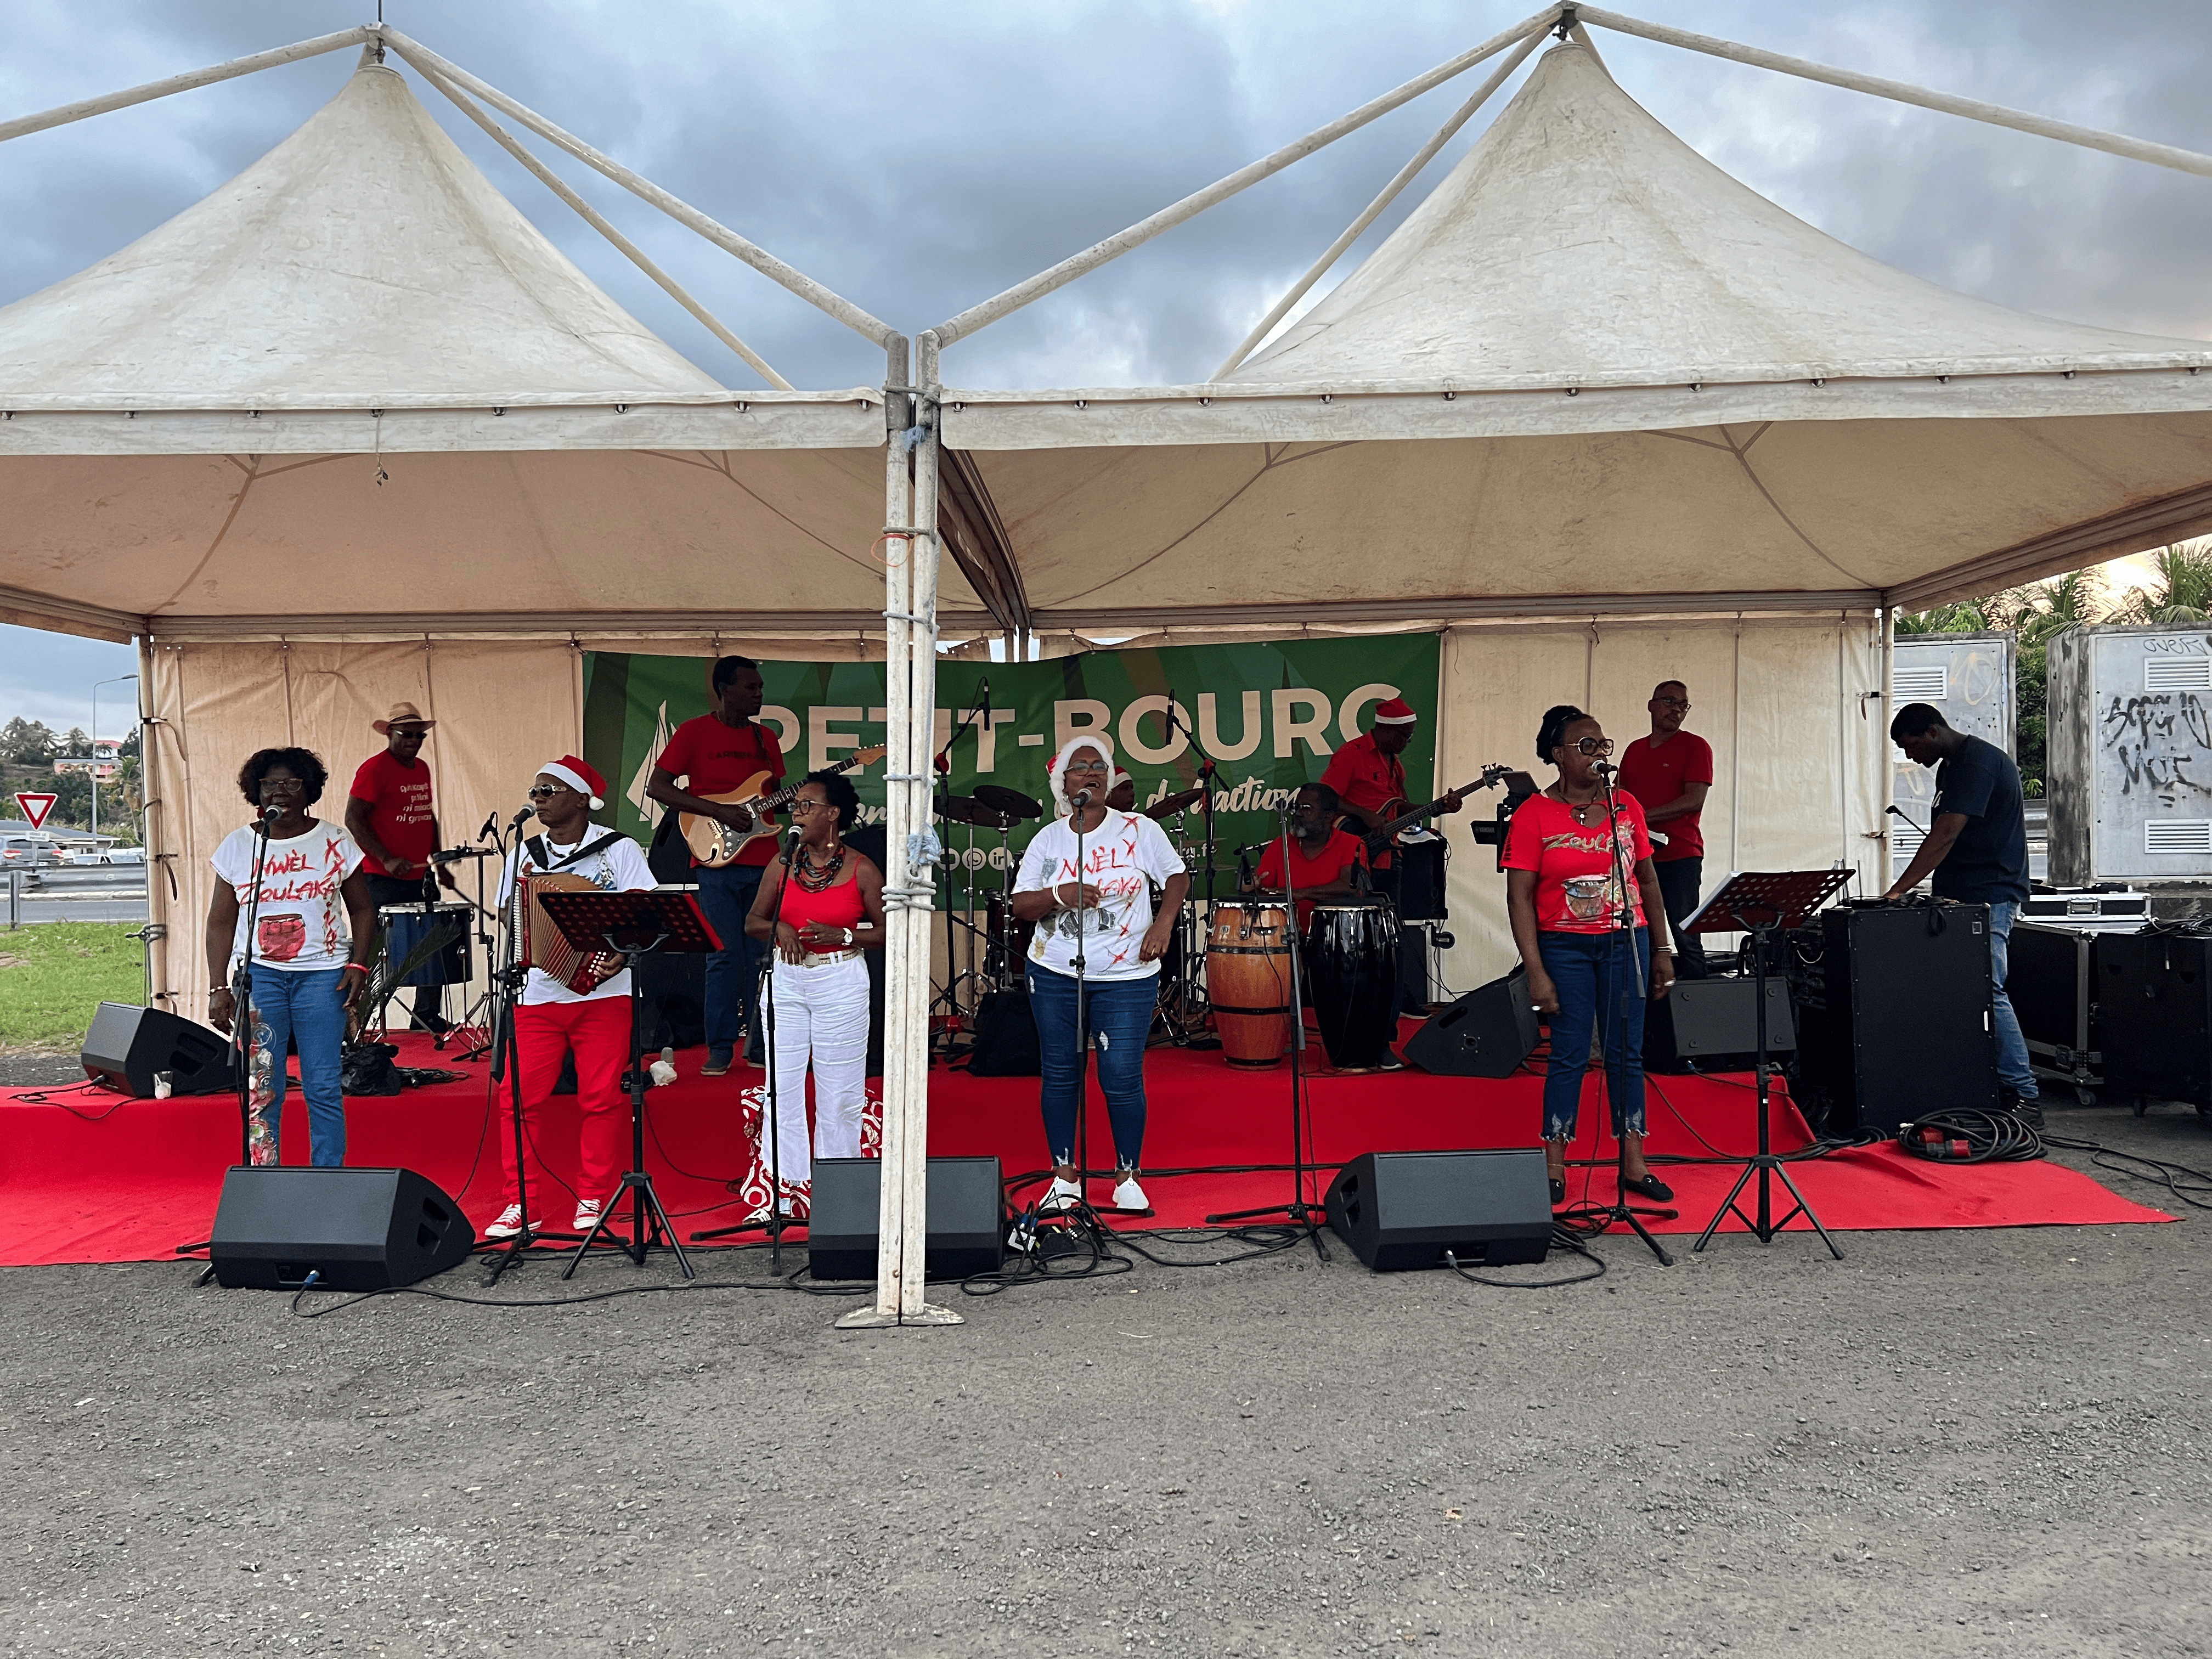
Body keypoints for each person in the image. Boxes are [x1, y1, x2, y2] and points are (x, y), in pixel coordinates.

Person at [1503, 706, 1677, 1209]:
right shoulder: (1533, 814)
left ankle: (1634, 1164)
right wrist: (1536, 971)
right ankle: (1554, 1165)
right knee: (1570, 1055)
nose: (1600, 753)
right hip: (1565, 947)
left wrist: (1662, 946)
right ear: (1558, 755)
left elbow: (1647, 880)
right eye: (1586, 745)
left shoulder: (1627, 807)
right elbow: (1519, 898)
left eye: (1603, 744)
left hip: (1628, 941)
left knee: (1627, 1055)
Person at [1009, 737, 1190, 1214]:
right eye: (1079, 767)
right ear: (1063, 783)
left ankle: (1127, 1175)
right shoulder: (1047, 839)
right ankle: (1065, 1175)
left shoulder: (1138, 829)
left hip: (1127, 972)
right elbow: (1021, 905)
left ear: (1107, 780)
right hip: (1053, 970)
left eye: (1098, 767)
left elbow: (1176, 877)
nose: (1090, 773)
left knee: (1122, 1075)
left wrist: (1163, 922)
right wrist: (1060, 893)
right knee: (1062, 1072)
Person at [486, 755, 656, 1241]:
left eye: (548, 790)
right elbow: (507, 912)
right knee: (517, 1099)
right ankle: (522, 1203)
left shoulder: (619, 849)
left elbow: (644, 914)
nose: (536, 799)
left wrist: (619, 957)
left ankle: (593, 1196)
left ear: (581, 799)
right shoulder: (525, 851)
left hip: (605, 992)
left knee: (600, 1098)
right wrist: (536, 940)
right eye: (535, 791)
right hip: (539, 992)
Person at [204, 748, 377, 1168]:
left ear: (309, 790)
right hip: (261, 977)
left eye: (291, 783)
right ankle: (265, 1173)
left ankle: (327, 1175)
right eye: (269, 784)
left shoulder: (334, 841)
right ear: (256, 792)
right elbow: (220, 922)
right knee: (265, 1084)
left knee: (321, 1084)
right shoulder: (239, 845)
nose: (279, 791)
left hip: (323, 976)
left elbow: (363, 908)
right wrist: (218, 987)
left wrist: (358, 964)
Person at [1882, 702, 2039, 1126]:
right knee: (1961, 992)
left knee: (1988, 988)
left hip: (1990, 893)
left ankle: (2025, 1094)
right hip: (1962, 894)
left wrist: (1898, 890)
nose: (1909, 756)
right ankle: (1973, 1085)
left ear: (1932, 732)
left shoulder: (1978, 763)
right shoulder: (1950, 767)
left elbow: (1946, 833)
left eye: (1910, 745)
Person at [743, 770, 888, 1220]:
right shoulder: (782, 863)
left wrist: (845, 934)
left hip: (839, 981)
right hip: (786, 980)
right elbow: (752, 922)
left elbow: (889, 931)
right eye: (795, 807)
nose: (797, 813)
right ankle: (781, 1194)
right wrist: (779, 927)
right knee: (780, 1088)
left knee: (839, 1094)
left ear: (833, 814)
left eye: (807, 805)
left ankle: (838, 1192)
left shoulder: (862, 868)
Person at [645, 656, 784, 1076]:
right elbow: (658, 787)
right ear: (725, 689)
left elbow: (773, 797)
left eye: (761, 687)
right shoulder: (693, 732)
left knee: (765, 957)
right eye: (751, 687)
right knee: (723, 956)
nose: (759, 694)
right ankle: (721, 1047)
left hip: (765, 860)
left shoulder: (767, 739)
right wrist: (718, 812)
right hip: (716, 860)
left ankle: (760, 1045)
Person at [1321, 695, 1465, 1011]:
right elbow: (1325, 797)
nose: (1407, 741)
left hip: (1389, 854)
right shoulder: (1352, 754)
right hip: (1357, 855)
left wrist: (1440, 806)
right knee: (1360, 933)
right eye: (1404, 735)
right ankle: (1362, 998)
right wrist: (1368, 816)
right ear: (1385, 730)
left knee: (1392, 929)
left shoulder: (1394, 763)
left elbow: (1399, 810)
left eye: (1410, 736)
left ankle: (1397, 996)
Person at [344, 701, 458, 1031]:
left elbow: (426, 815)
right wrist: (385, 857)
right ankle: (356, 1018)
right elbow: (354, 817)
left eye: (418, 736)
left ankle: (425, 1017)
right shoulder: (374, 769)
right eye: (406, 735)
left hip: (419, 874)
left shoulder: (421, 768)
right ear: (390, 734)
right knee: (372, 948)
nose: (413, 741)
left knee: (432, 942)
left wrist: (438, 861)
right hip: (381, 878)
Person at [1615, 680, 1716, 980]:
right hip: (1639, 857)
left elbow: (1694, 800)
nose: (1677, 709)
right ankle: (1649, 1011)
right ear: (1652, 704)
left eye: (1683, 705)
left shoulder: (1695, 746)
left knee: (1685, 933)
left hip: (1680, 855)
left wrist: (1642, 818)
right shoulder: (1635, 749)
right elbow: (1619, 798)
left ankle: (1697, 1007)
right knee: (1639, 933)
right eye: (1670, 701)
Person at [1244, 782, 1370, 932]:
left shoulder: (1351, 843)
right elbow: (1265, 891)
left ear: (1328, 816)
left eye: (1307, 808)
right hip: (1286, 940)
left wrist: (1301, 893)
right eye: (1296, 807)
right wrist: (1251, 887)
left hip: (1334, 939)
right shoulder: (1281, 844)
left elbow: (1351, 886)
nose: (1298, 813)